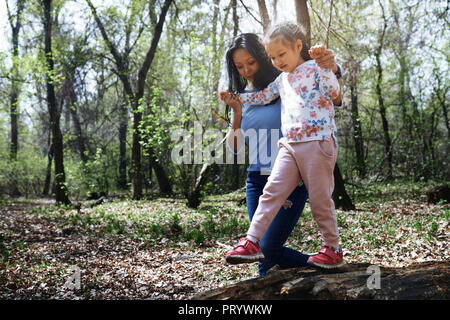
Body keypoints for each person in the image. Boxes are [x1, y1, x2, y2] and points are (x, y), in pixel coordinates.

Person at [222, 22, 343, 269]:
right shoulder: (281, 80)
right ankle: (251, 241)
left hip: (317, 143)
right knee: (271, 192)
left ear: (298, 46)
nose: (277, 61)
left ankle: (333, 249)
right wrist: (237, 99)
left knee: (321, 200)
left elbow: (334, 94)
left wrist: (329, 67)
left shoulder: (315, 68)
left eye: (281, 55)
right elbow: (263, 96)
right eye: (273, 57)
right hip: (288, 146)